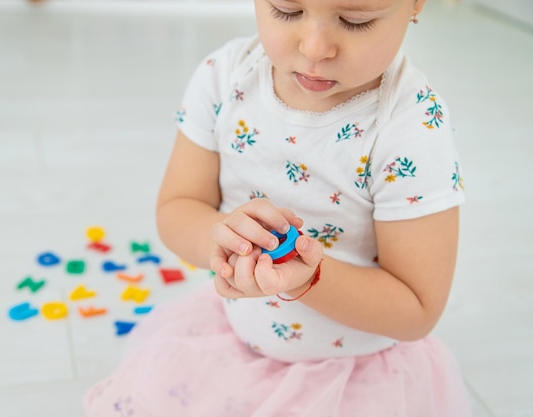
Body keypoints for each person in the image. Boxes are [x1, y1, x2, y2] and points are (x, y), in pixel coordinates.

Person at [85, 0, 473, 415]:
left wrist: (308, 278)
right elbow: (178, 207)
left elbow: (416, 310)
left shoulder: (411, 128)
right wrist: (221, 237)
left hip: (355, 380)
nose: (315, 47)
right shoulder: (225, 77)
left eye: (355, 20)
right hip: (233, 343)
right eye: (286, 11)